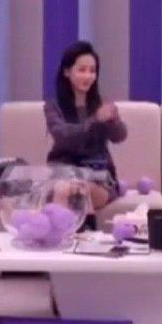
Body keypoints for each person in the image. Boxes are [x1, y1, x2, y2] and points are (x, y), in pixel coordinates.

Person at [44, 41, 127, 228]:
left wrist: (113, 120)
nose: (88, 76)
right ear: (67, 72)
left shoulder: (101, 103)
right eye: (82, 70)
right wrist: (95, 119)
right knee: (65, 188)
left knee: (74, 189)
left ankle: (65, 237)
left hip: (99, 178)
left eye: (92, 71)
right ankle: (82, 232)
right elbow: (63, 137)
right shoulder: (53, 107)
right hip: (63, 173)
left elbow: (120, 136)